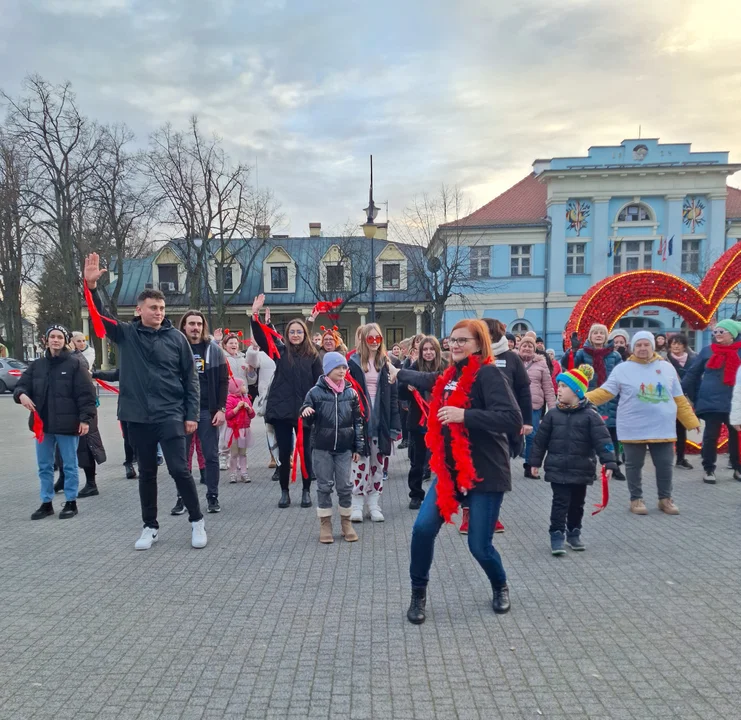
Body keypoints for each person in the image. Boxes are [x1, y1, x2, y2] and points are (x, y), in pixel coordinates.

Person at [388, 319, 523, 623]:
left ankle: (500, 585)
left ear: (479, 344)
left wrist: (465, 415)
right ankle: (418, 593)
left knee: (479, 545)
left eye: (464, 340)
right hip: (449, 473)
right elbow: (430, 380)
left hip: (485, 472)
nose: (456, 345)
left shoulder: (490, 374)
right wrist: (398, 373)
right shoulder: (450, 374)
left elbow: (512, 419)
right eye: (453, 340)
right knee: (422, 529)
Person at [83, 252, 207, 550]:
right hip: (138, 416)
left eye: (162, 308)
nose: (159, 312)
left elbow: (190, 379)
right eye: (153, 307)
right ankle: (149, 526)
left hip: (171, 415)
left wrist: (192, 414)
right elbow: (101, 317)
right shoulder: (127, 335)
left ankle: (197, 521)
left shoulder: (176, 339)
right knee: (147, 473)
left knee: (179, 469)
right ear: (139, 310)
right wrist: (90, 287)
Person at [587, 331, 699, 515]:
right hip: (633, 426)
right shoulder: (623, 369)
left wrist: (690, 420)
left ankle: (665, 499)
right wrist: (581, 398)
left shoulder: (666, 368)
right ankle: (636, 499)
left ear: (652, 346)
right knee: (633, 465)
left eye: (646, 344)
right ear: (633, 347)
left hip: (662, 427)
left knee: (664, 464)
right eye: (638, 345)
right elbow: (605, 392)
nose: (642, 348)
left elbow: (678, 398)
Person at [529, 366, 617, 555]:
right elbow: (540, 442)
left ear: (577, 391)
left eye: (563, 386)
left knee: (577, 503)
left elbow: (603, 441)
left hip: (582, 468)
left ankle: (574, 532)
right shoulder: (552, 414)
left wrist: (609, 462)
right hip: (557, 469)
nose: (558, 390)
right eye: (558, 386)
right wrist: (534, 462)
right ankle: (557, 534)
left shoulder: (590, 416)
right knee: (560, 502)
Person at [14, 325, 96, 520]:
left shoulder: (75, 364)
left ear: (65, 341)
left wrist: (85, 419)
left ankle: (70, 502)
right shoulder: (37, 365)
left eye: (60, 337)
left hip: (68, 425)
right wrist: (21, 395)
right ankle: (46, 502)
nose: (56, 340)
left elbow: (86, 394)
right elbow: (21, 386)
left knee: (69, 464)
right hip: (43, 425)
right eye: (52, 337)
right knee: (44, 465)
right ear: (46, 340)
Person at [251, 294, 322, 508]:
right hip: (282, 411)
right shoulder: (280, 352)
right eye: (292, 332)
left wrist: (316, 406)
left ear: (305, 334)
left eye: (299, 331)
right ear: (287, 335)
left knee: (306, 453)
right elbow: (263, 339)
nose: (296, 335)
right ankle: (284, 492)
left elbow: (319, 383)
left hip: (305, 411)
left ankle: (306, 491)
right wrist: (254, 315)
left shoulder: (313, 355)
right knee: (284, 454)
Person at [300, 352, 364, 544]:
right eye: (338, 368)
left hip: (344, 448)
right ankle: (325, 524)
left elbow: (358, 421)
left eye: (344, 367)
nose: (342, 371)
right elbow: (305, 415)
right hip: (322, 448)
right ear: (328, 370)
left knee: (345, 486)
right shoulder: (314, 392)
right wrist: (306, 412)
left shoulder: (351, 393)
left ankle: (346, 523)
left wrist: (358, 447)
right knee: (324, 486)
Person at [478, 318, 533, 534]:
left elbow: (524, 391)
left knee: (499, 470)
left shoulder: (511, 358)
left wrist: (527, 421)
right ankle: (470, 511)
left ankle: (493, 514)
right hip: (478, 422)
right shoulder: (473, 357)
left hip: (505, 423)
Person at [171, 311, 228, 515]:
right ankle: (182, 498)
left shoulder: (213, 350)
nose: (195, 327)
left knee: (211, 456)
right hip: (180, 412)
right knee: (181, 458)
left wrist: (221, 409)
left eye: (199, 324)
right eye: (191, 324)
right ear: (183, 326)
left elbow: (223, 381)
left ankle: (212, 496)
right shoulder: (175, 348)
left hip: (207, 410)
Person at [348, 323, 400, 522]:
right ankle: (357, 505)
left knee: (378, 466)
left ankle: (374, 504)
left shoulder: (386, 364)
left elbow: (393, 397)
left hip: (381, 423)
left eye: (378, 338)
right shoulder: (352, 363)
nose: (375, 342)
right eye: (370, 338)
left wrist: (395, 427)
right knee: (359, 465)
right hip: (360, 423)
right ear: (363, 340)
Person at [682, 319, 741, 484]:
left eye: (721, 332)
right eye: (716, 332)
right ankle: (709, 469)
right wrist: (680, 391)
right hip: (711, 400)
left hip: (735, 401)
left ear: (732, 334)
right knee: (710, 436)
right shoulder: (707, 351)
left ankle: (738, 467)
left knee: (737, 436)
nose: (717, 335)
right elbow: (693, 373)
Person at [573, 323, 625, 481]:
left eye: (601, 333)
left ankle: (614, 465)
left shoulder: (615, 356)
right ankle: (590, 467)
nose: (598, 336)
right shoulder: (582, 354)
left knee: (611, 435)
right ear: (590, 336)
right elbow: (573, 373)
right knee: (589, 434)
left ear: (606, 336)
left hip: (610, 399)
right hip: (590, 397)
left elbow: (622, 376)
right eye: (595, 333)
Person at [398, 336, 444, 510]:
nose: (428, 352)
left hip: (441, 421)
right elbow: (400, 392)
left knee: (442, 460)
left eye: (432, 349)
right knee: (417, 462)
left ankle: (442, 494)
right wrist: (406, 388)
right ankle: (416, 495)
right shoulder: (413, 367)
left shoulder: (445, 366)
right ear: (420, 352)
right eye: (425, 349)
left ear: (437, 351)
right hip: (419, 422)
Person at [518, 333, 556, 478]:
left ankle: (529, 465)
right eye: (524, 345)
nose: (527, 348)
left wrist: (552, 408)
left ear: (534, 349)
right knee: (511, 436)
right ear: (519, 347)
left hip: (534, 405)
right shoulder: (514, 361)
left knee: (532, 436)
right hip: (514, 404)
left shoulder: (541, 363)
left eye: (530, 346)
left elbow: (548, 387)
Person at [92, 367, 138, 479]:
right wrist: (94, 374)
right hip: (126, 408)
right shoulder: (127, 364)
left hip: (142, 408)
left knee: (141, 439)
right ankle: (129, 464)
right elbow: (112, 375)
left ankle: (142, 464)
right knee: (128, 438)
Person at [214, 329, 249, 470]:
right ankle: (223, 456)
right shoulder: (223, 357)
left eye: (235, 343)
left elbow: (251, 381)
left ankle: (239, 458)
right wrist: (216, 341)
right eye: (230, 343)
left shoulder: (244, 359)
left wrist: (251, 372)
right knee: (225, 429)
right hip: (227, 398)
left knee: (241, 429)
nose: (234, 345)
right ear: (225, 345)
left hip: (242, 399)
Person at [245, 338, 278, 475]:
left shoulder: (285, 352)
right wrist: (253, 348)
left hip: (286, 396)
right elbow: (252, 361)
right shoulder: (262, 355)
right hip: (267, 397)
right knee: (270, 428)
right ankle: (273, 456)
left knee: (288, 429)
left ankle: (289, 456)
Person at [667, 333, 697, 470]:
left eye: (679, 343)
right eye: (673, 343)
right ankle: (666, 459)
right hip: (667, 399)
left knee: (681, 430)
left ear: (684, 345)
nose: (676, 346)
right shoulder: (664, 360)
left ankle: (680, 458)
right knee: (667, 430)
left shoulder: (694, 359)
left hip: (686, 400)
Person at [224, 377, 256, 483]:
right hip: (234, 430)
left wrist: (249, 408)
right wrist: (237, 408)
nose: (245, 387)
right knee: (234, 453)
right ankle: (233, 473)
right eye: (242, 385)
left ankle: (243, 472)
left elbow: (252, 415)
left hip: (244, 430)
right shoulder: (230, 399)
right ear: (236, 388)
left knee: (243, 453)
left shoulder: (246, 399)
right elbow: (228, 415)